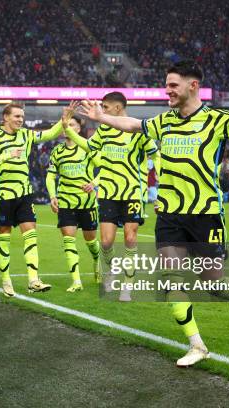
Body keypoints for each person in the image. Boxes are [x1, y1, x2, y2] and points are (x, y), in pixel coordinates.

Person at [77, 60, 229, 367]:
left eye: (173, 85)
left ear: (193, 86)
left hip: (205, 215)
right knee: (172, 278)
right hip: (170, 216)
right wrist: (101, 117)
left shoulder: (217, 119)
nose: (167, 90)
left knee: (213, 282)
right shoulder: (164, 121)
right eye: (166, 85)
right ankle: (196, 344)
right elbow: (134, 125)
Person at [61, 92, 160, 302]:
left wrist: (159, 174)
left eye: (105, 107)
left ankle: (128, 286)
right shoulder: (104, 129)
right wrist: (68, 128)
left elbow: (154, 153)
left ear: (117, 108)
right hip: (107, 192)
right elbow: (89, 146)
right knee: (106, 242)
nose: (102, 111)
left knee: (131, 238)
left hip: (133, 192)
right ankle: (113, 268)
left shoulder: (137, 129)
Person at [0, 102, 65, 297]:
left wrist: (63, 120)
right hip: (4, 196)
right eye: (17, 116)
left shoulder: (26, 134)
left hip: (24, 193)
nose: (20, 120)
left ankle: (33, 280)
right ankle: (6, 280)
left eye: (22, 117)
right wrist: (6, 155)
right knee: (4, 238)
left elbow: (49, 134)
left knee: (31, 234)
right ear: (6, 117)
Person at [46, 111, 101, 292]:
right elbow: (50, 176)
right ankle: (76, 281)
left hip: (87, 203)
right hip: (66, 202)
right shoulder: (57, 151)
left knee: (90, 240)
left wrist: (93, 183)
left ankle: (97, 260)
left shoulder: (88, 148)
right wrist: (53, 196)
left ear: (79, 128)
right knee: (68, 240)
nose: (67, 128)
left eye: (72, 125)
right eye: (65, 125)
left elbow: (106, 168)